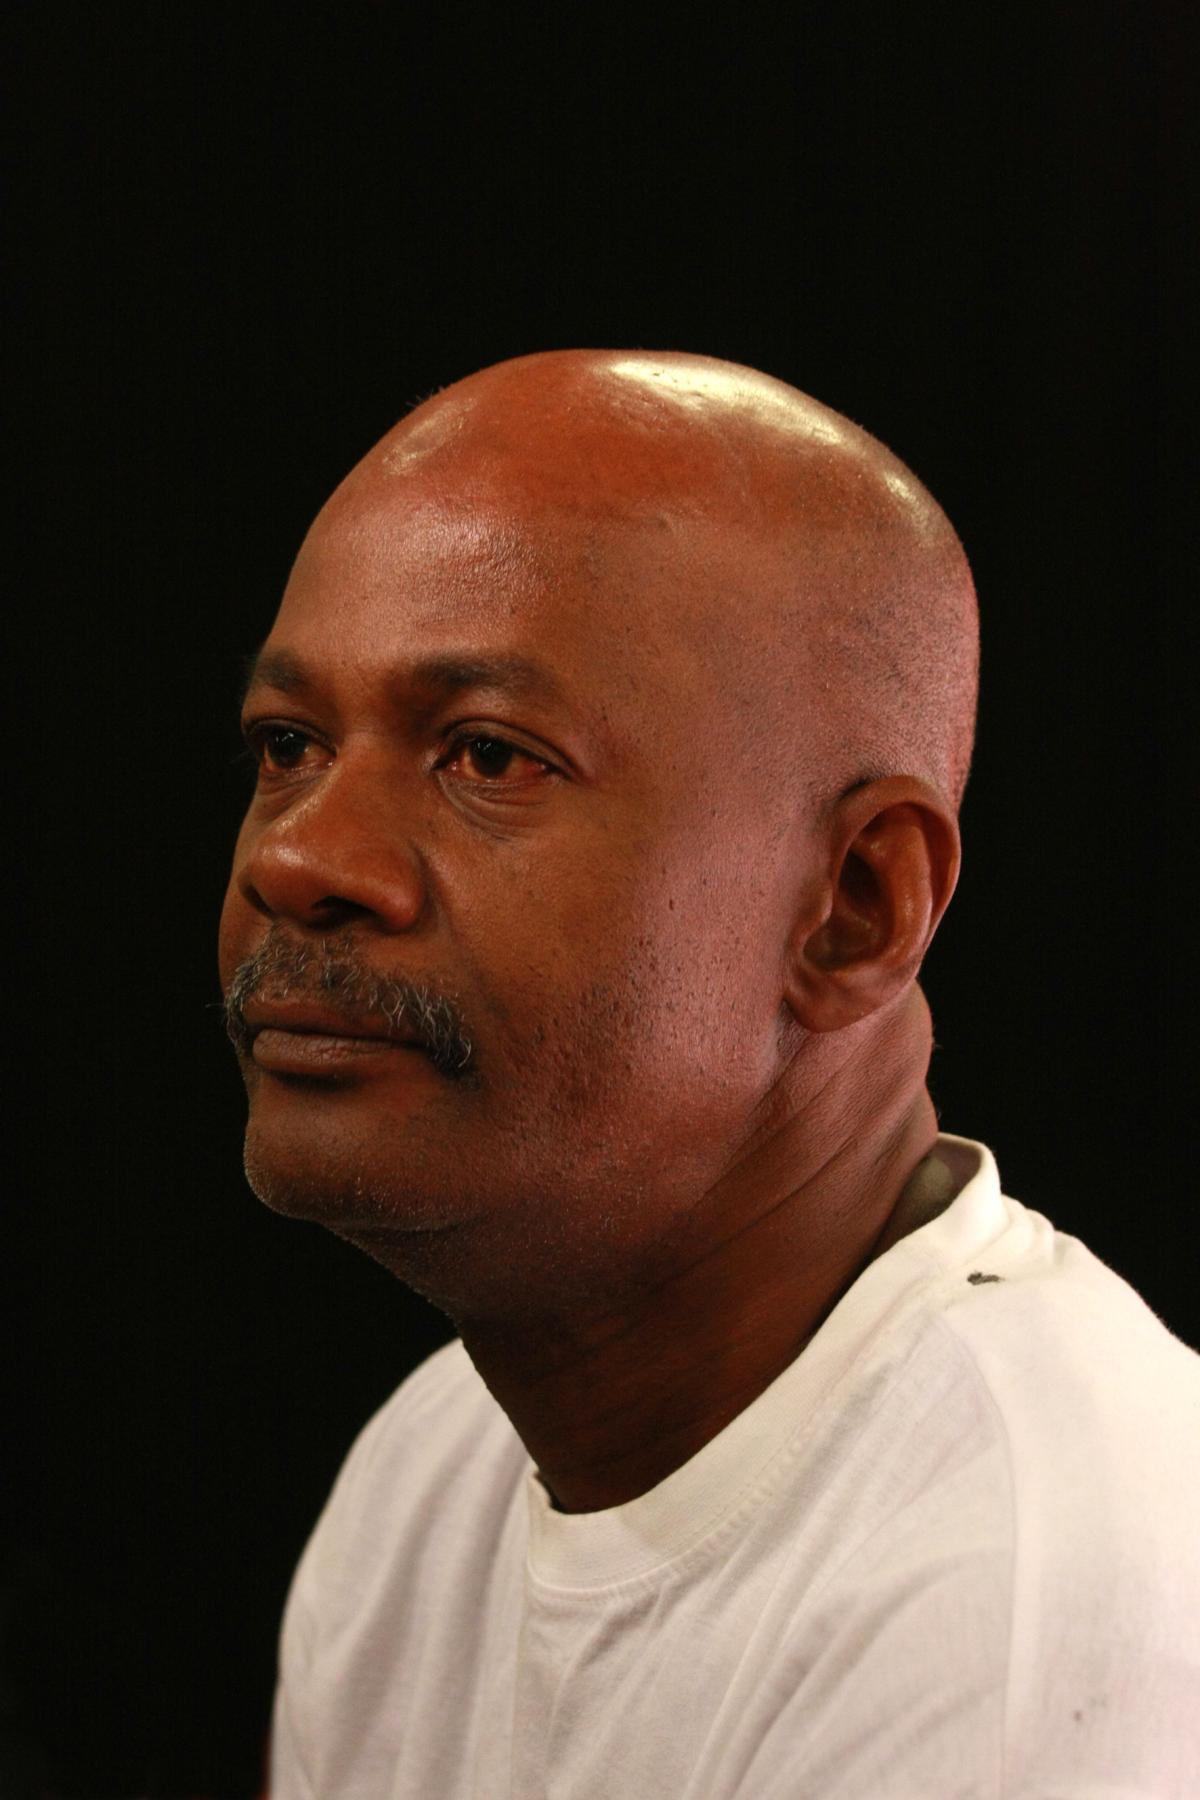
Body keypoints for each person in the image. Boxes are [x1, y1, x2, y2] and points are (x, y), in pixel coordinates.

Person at [219, 350, 1200, 1797]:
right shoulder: (429, 1474)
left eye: (488, 756)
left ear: (855, 907)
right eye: (290, 745)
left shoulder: (1037, 1595)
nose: (300, 856)